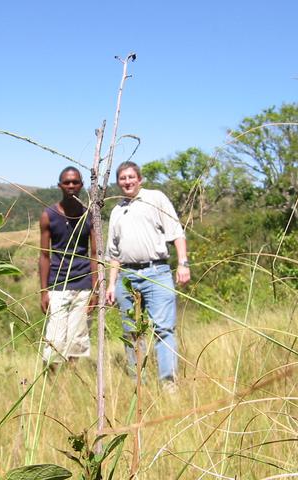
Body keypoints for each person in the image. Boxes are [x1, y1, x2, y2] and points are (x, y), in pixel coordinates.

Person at [106, 161, 190, 386]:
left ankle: (168, 384)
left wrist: (183, 263)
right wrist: (111, 284)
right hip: (126, 277)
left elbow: (176, 233)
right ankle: (138, 385)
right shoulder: (116, 211)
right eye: (122, 178)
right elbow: (113, 253)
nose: (127, 182)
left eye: (131, 177)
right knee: (132, 332)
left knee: (163, 329)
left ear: (139, 179)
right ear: (118, 183)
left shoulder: (156, 198)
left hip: (157, 272)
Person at [39, 166, 97, 366]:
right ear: (59, 185)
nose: (71, 186)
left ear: (81, 185)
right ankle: (52, 382)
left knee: (77, 340)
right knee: (54, 340)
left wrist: (95, 290)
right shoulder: (49, 215)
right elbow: (44, 255)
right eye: (67, 182)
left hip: (83, 284)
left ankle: (71, 384)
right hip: (58, 285)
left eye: (75, 182)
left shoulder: (90, 215)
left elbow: (95, 254)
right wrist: (43, 291)